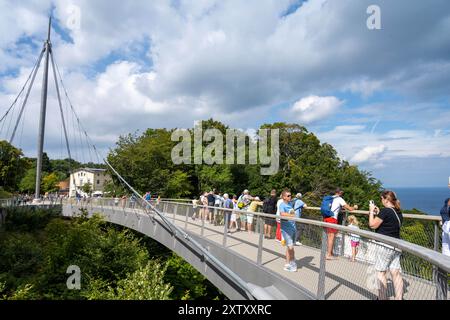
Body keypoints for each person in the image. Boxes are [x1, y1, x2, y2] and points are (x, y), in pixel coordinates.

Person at [369, 190, 404, 300]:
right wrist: (379, 213)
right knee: (396, 273)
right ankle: (399, 298)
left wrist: (371, 212)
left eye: (382, 199)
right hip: (396, 246)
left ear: (386, 199)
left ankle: (382, 298)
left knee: (381, 273)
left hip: (384, 246)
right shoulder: (398, 212)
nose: (381, 201)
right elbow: (388, 223)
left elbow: (372, 225)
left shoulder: (385, 211)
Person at [324, 188, 358, 260]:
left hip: (326, 218)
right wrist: (354, 207)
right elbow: (350, 209)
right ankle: (328, 255)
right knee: (331, 237)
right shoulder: (339, 199)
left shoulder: (331, 198)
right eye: (342, 193)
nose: (342, 195)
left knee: (329, 236)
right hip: (332, 219)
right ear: (340, 193)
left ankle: (330, 253)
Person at [279, 189, 297, 272]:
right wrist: (292, 215)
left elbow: (293, 214)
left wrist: (292, 215)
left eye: (290, 195)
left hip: (292, 227)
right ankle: (293, 264)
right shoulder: (282, 205)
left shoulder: (290, 204)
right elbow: (282, 214)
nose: (290, 197)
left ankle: (287, 263)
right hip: (286, 229)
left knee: (289, 246)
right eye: (288, 196)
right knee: (291, 247)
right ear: (284, 197)